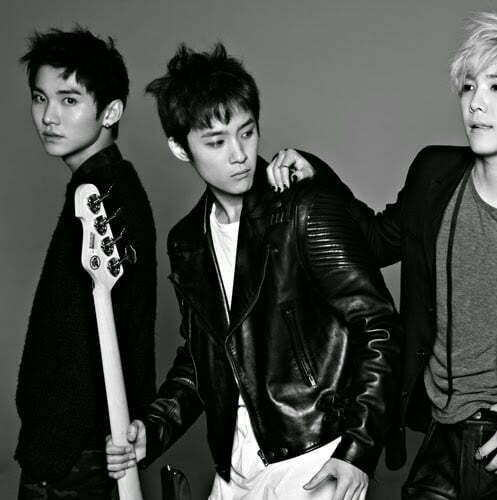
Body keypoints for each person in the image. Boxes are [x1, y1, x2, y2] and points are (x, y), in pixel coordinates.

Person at [269, 12, 497, 499]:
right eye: (469, 86)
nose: (476, 103)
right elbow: (374, 241)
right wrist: (319, 177)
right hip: (441, 433)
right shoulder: (433, 175)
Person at [104, 43, 402, 500]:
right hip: (234, 464)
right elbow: (202, 357)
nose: (239, 154)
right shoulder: (187, 241)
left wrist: (357, 450)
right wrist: (155, 428)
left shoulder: (304, 210)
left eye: (247, 133)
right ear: (180, 148)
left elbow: (378, 326)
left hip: (315, 453)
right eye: (216, 142)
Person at [15, 27, 157, 500]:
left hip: (75, 457)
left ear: (110, 111)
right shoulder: (101, 186)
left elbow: (103, 341)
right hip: (75, 450)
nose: (48, 116)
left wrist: (58, 450)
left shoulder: (103, 195)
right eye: (40, 98)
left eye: (69, 100)